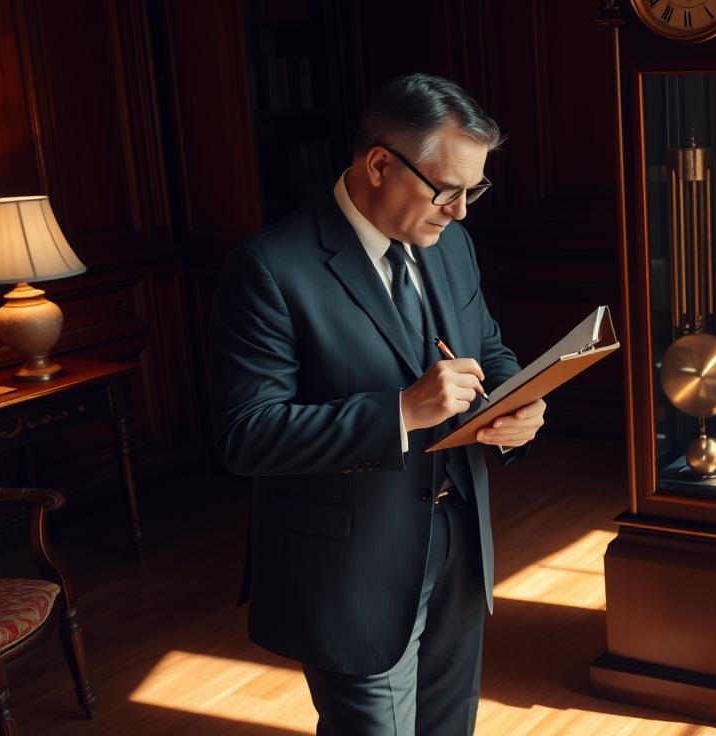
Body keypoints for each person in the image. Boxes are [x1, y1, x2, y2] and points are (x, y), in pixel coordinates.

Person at [210, 73, 544, 735]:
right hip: (349, 568)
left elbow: (489, 349)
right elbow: (245, 435)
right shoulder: (271, 267)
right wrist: (398, 413)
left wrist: (517, 405)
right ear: (380, 164)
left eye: (473, 190)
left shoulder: (451, 244)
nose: (460, 210)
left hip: (457, 544)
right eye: (446, 189)